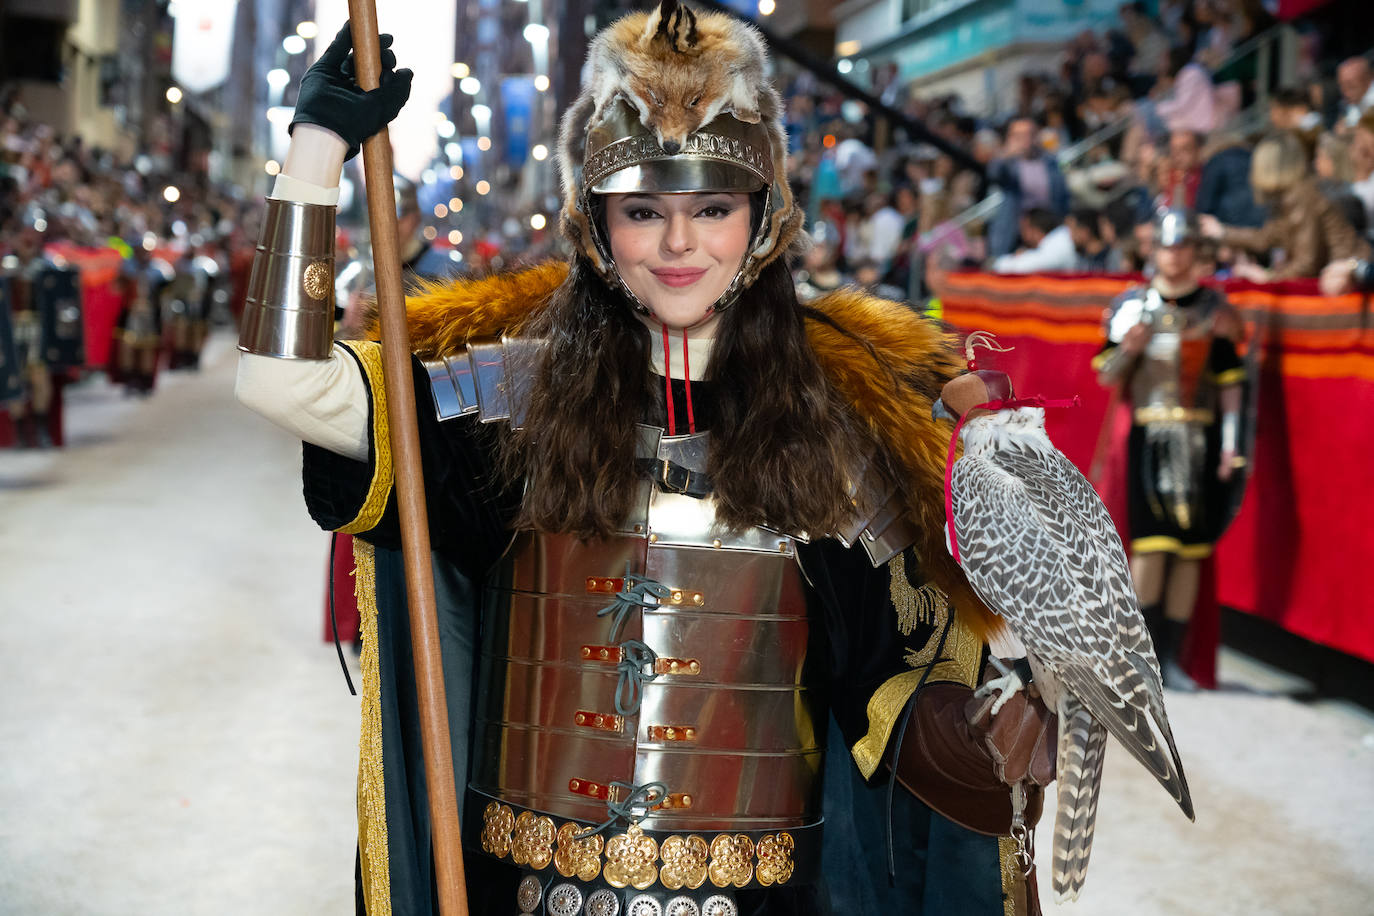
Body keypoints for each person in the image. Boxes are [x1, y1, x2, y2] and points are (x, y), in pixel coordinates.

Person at [236, 11, 1055, 916]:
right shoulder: (507, 402)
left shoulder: (835, 432)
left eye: (712, 209)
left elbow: (890, 692)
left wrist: (989, 733)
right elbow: (282, 383)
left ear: (765, 218)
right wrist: (315, 147)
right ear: (595, 225)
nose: (678, 246)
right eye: (642, 212)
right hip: (524, 894)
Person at [1093, 209, 1246, 690]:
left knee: (1190, 553)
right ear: (1154, 250)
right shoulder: (1131, 306)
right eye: (1167, 246)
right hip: (1149, 438)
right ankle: (1141, 660)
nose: (1175, 255)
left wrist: (1230, 446)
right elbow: (1105, 375)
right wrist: (1131, 348)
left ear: (1194, 252)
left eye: (1183, 247)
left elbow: (1229, 383)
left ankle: (1172, 659)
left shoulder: (1214, 310)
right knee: (1152, 549)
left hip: (1199, 440)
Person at [1199, 131, 1371, 281]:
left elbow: (1306, 264)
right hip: (1340, 275)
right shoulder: (1289, 197)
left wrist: (1267, 277)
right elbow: (1267, 237)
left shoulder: (1302, 196)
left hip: (1349, 276)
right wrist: (1222, 232)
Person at [986, 116, 1070, 258]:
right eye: (1019, 135)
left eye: (1029, 134)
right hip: (1015, 233)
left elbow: (1063, 193)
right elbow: (993, 174)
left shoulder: (1050, 161)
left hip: (1048, 229)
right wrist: (1006, 154)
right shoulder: (1009, 164)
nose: (1025, 139)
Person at [992, 207, 1077, 274]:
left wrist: (1019, 257)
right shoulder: (1057, 240)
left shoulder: (1059, 242)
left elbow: (1010, 268)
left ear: (1033, 230)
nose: (1021, 234)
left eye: (1023, 229)